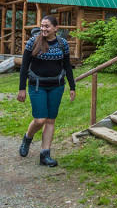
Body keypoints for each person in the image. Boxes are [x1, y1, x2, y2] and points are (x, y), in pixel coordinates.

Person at [17, 15, 76, 167]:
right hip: (37, 86)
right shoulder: (33, 42)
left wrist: (72, 87)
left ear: (56, 28)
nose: (43, 29)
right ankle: (27, 138)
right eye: (42, 26)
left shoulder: (63, 44)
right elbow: (24, 67)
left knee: (50, 120)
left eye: (47, 26)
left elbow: (67, 66)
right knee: (40, 119)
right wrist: (21, 89)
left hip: (57, 86)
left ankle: (45, 154)